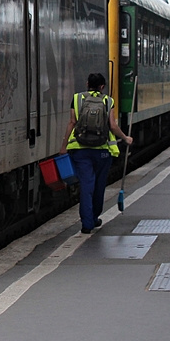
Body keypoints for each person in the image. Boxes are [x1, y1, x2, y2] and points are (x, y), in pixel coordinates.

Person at [59, 72, 133, 234]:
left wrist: (64, 146)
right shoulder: (108, 101)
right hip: (102, 151)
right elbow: (112, 126)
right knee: (99, 186)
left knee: (86, 185)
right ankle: (94, 216)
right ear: (102, 87)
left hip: (80, 150)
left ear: (87, 84)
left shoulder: (77, 98)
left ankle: (87, 223)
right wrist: (125, 138)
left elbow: (72, 122)